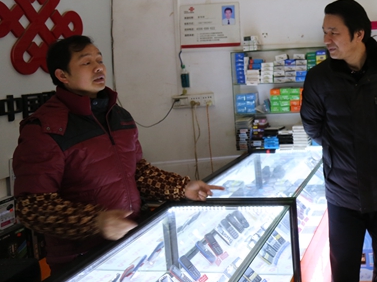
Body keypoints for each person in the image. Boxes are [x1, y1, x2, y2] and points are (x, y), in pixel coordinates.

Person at [12, 35, 223, 274]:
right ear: (63, 76)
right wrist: (95, 221)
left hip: (130, 243)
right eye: (86, 62)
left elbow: (137, 172)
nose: (98, 67)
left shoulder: (118, 116)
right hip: (81, 260)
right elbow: (32, 207)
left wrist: (181, 187)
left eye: (99, 60)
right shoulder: (46, 129)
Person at [301, 0, 377, 282]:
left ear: (359, 33)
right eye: (325, 32)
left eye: (334, 32)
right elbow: (313, 127)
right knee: (343, 269)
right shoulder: (319, 78)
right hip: (343, 194)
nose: (327, 39)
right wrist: (341, 151)